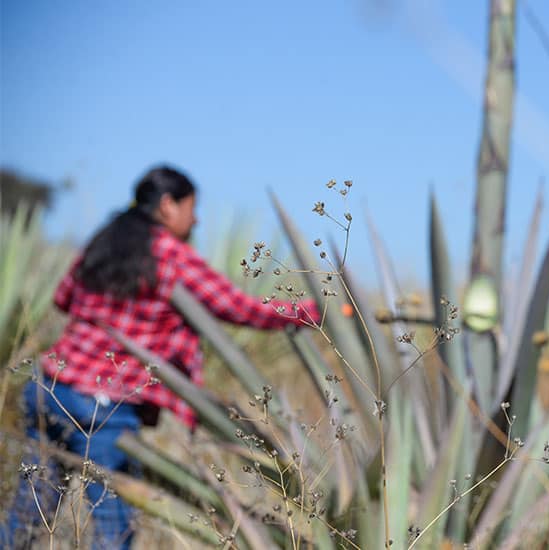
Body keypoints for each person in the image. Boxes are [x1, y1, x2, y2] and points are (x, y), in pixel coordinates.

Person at [3, 166, 319, 549]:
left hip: (49, 387)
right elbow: (241, 308)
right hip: (102, 408)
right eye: (192, 207)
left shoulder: (106, 239)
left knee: (27, 518)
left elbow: (62, 298)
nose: (196, 218)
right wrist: (315, 312)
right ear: (168, 205)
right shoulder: (171, 254)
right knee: (112, 531)